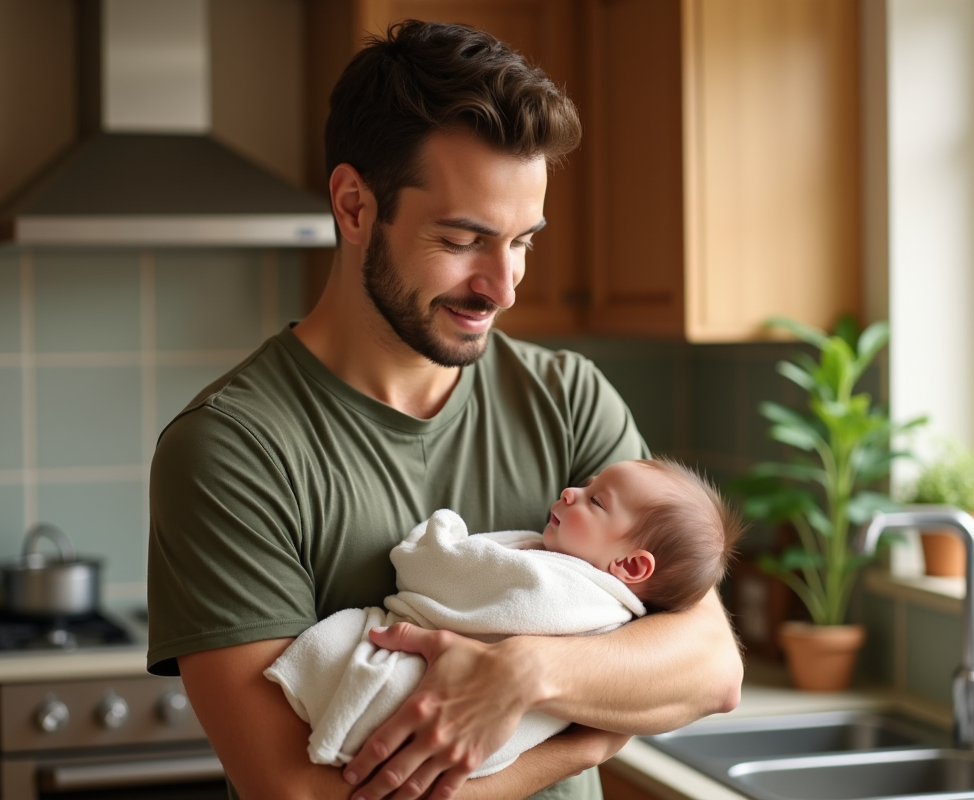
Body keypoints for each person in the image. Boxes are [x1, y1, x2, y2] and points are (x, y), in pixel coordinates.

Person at [146, 19, 743, 800]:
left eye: (523, 241)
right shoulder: (232, 449)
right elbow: (291, 792)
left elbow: (710, 666)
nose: (504, 287)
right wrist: (571, 749)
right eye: (464, 240)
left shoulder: (567, 397)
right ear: (355, 207)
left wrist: (523, 673)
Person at [265, 458, 745, 781]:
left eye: (596, 501)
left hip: (450, 716)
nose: (571, 491)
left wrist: (438, 539)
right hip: (480, 749)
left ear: (632, 566)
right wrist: (588, 746)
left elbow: (445, 577)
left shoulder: (566, 592)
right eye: (587, 485)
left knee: (346, 646)